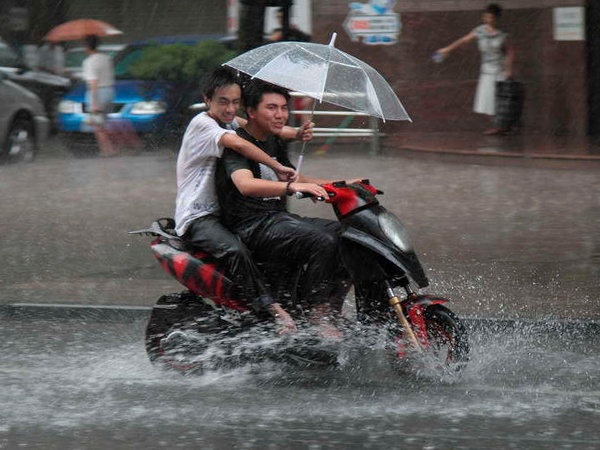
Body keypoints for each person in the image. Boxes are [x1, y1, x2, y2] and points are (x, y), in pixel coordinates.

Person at [175, 67, 313, 334]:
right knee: (235, 249)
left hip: (222, 212)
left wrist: (296, 133)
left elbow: (257, 128)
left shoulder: (227, 121)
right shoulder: (202, 124)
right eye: (223, 101)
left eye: (236, 102)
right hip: (197, 216)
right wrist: (276, 165)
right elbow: (240, 144)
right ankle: (272, 308)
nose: (230, 109)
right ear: (208, 99)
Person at [216, 80, 356, 336]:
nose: (280, 114)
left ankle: (332, 308)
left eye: (283, 108)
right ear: (251, 111)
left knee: (350, 237)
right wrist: (292, 189)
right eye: (271, 108)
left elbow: (296, 179)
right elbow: (245, 184)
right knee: (322, 240)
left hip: (278, 219)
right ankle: (317, 314)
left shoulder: (273, 141)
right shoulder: (237, 144)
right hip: (251, 226)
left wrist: (343, 185)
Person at [436, 3, 515, 135]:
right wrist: (447, 49)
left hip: (499, 70)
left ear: (496, 18)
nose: (488, 20)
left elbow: (510, 51)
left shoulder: (502, 35)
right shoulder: (480, 31)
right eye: (486, 17)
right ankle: (499, 126)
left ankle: (502, 126)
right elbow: (464, 40)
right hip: (486, 70)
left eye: (491, 17)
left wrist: (508, 69)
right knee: (487, 99)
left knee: (499, 99)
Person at [82, 34, 117, 156]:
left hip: (97, 93)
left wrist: (94, 102)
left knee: (97, 125)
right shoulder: (106, 58)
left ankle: (108, 151)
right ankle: (114, 147)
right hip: (110, 91)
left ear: (86, 47)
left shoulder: (89, 62)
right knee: (104, 123)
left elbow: (93, 82)